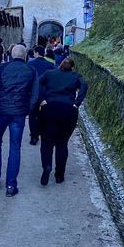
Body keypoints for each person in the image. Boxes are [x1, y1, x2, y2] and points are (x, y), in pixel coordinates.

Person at [0, 44, 39, 197]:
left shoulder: (2, 68)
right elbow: (35, 95)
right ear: (25, 56)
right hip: (19, 114)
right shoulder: (31, 71)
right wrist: (26, 110)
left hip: (1, 111)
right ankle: (10, 185)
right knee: (15, 147)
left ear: (12, 55)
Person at [37, 57, 88, 186]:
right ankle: (59, 175)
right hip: (68, 110)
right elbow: (84, 85)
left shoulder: (49, 73)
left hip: (49, 108)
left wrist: (42, 99)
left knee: (46, 141)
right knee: (62, 143)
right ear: (72, 67)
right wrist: (77, 103)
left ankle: (47, 166)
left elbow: (36, 83)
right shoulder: (76, 76)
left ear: (60, 65)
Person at [27, 46, 55, 145]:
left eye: (34, 52)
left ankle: (34, 136)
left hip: (33, 93)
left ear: (36, 53)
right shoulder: (50, 65)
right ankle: (40, 133)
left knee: (32, 115)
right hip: (45, 94)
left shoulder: (30, 64)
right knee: (42, 115)